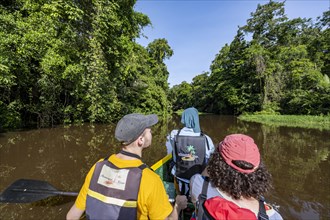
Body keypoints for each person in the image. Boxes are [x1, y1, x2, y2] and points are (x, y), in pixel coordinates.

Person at [66, 113, 188, 220]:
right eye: (150, 131)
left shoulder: (98, 166)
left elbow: (71, 217)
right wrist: (177, 206)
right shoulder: (150, 179)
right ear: (140, 140)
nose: (152, 133)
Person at [190, 134, 283, 220]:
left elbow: (205, 175)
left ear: (217, 161)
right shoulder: (273, 216)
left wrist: (213, 161)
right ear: (258, 170)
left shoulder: (199, 185)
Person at [166, 107, 214, 196]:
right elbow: (209, 156)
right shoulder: (206, 139)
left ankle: (180, 196)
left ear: (184, 118)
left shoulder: (174, 134)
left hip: (180, 175)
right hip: (199, 178)